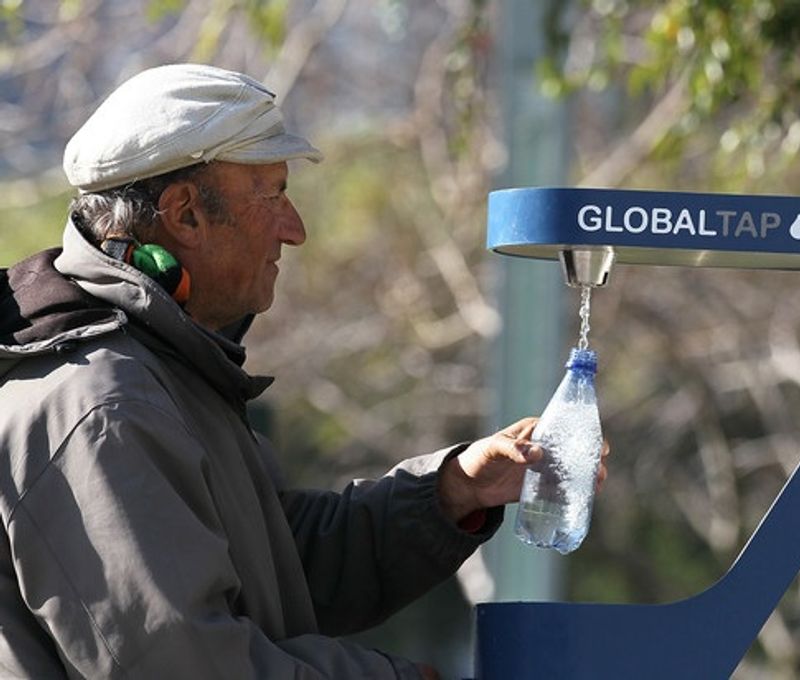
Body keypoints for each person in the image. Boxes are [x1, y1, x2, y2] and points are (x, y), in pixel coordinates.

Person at [0, 64, 608, 679]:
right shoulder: (104, 406)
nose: (295, 229)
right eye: (273, 194)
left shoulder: (157, 370)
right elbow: (184, 664)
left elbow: (277, 566)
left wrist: (453, 491)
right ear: (185, 214)